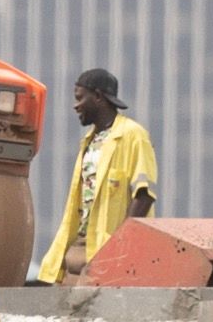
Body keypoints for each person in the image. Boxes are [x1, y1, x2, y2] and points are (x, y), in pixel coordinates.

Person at [32, 69, 159, 284]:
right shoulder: (89, 141)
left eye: (80, 98)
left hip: (112, 249)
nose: (76, 105)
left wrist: (121, 244)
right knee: (68, 310)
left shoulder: (132, 135)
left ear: (98, 97)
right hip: (82, 245)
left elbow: (144, 194)